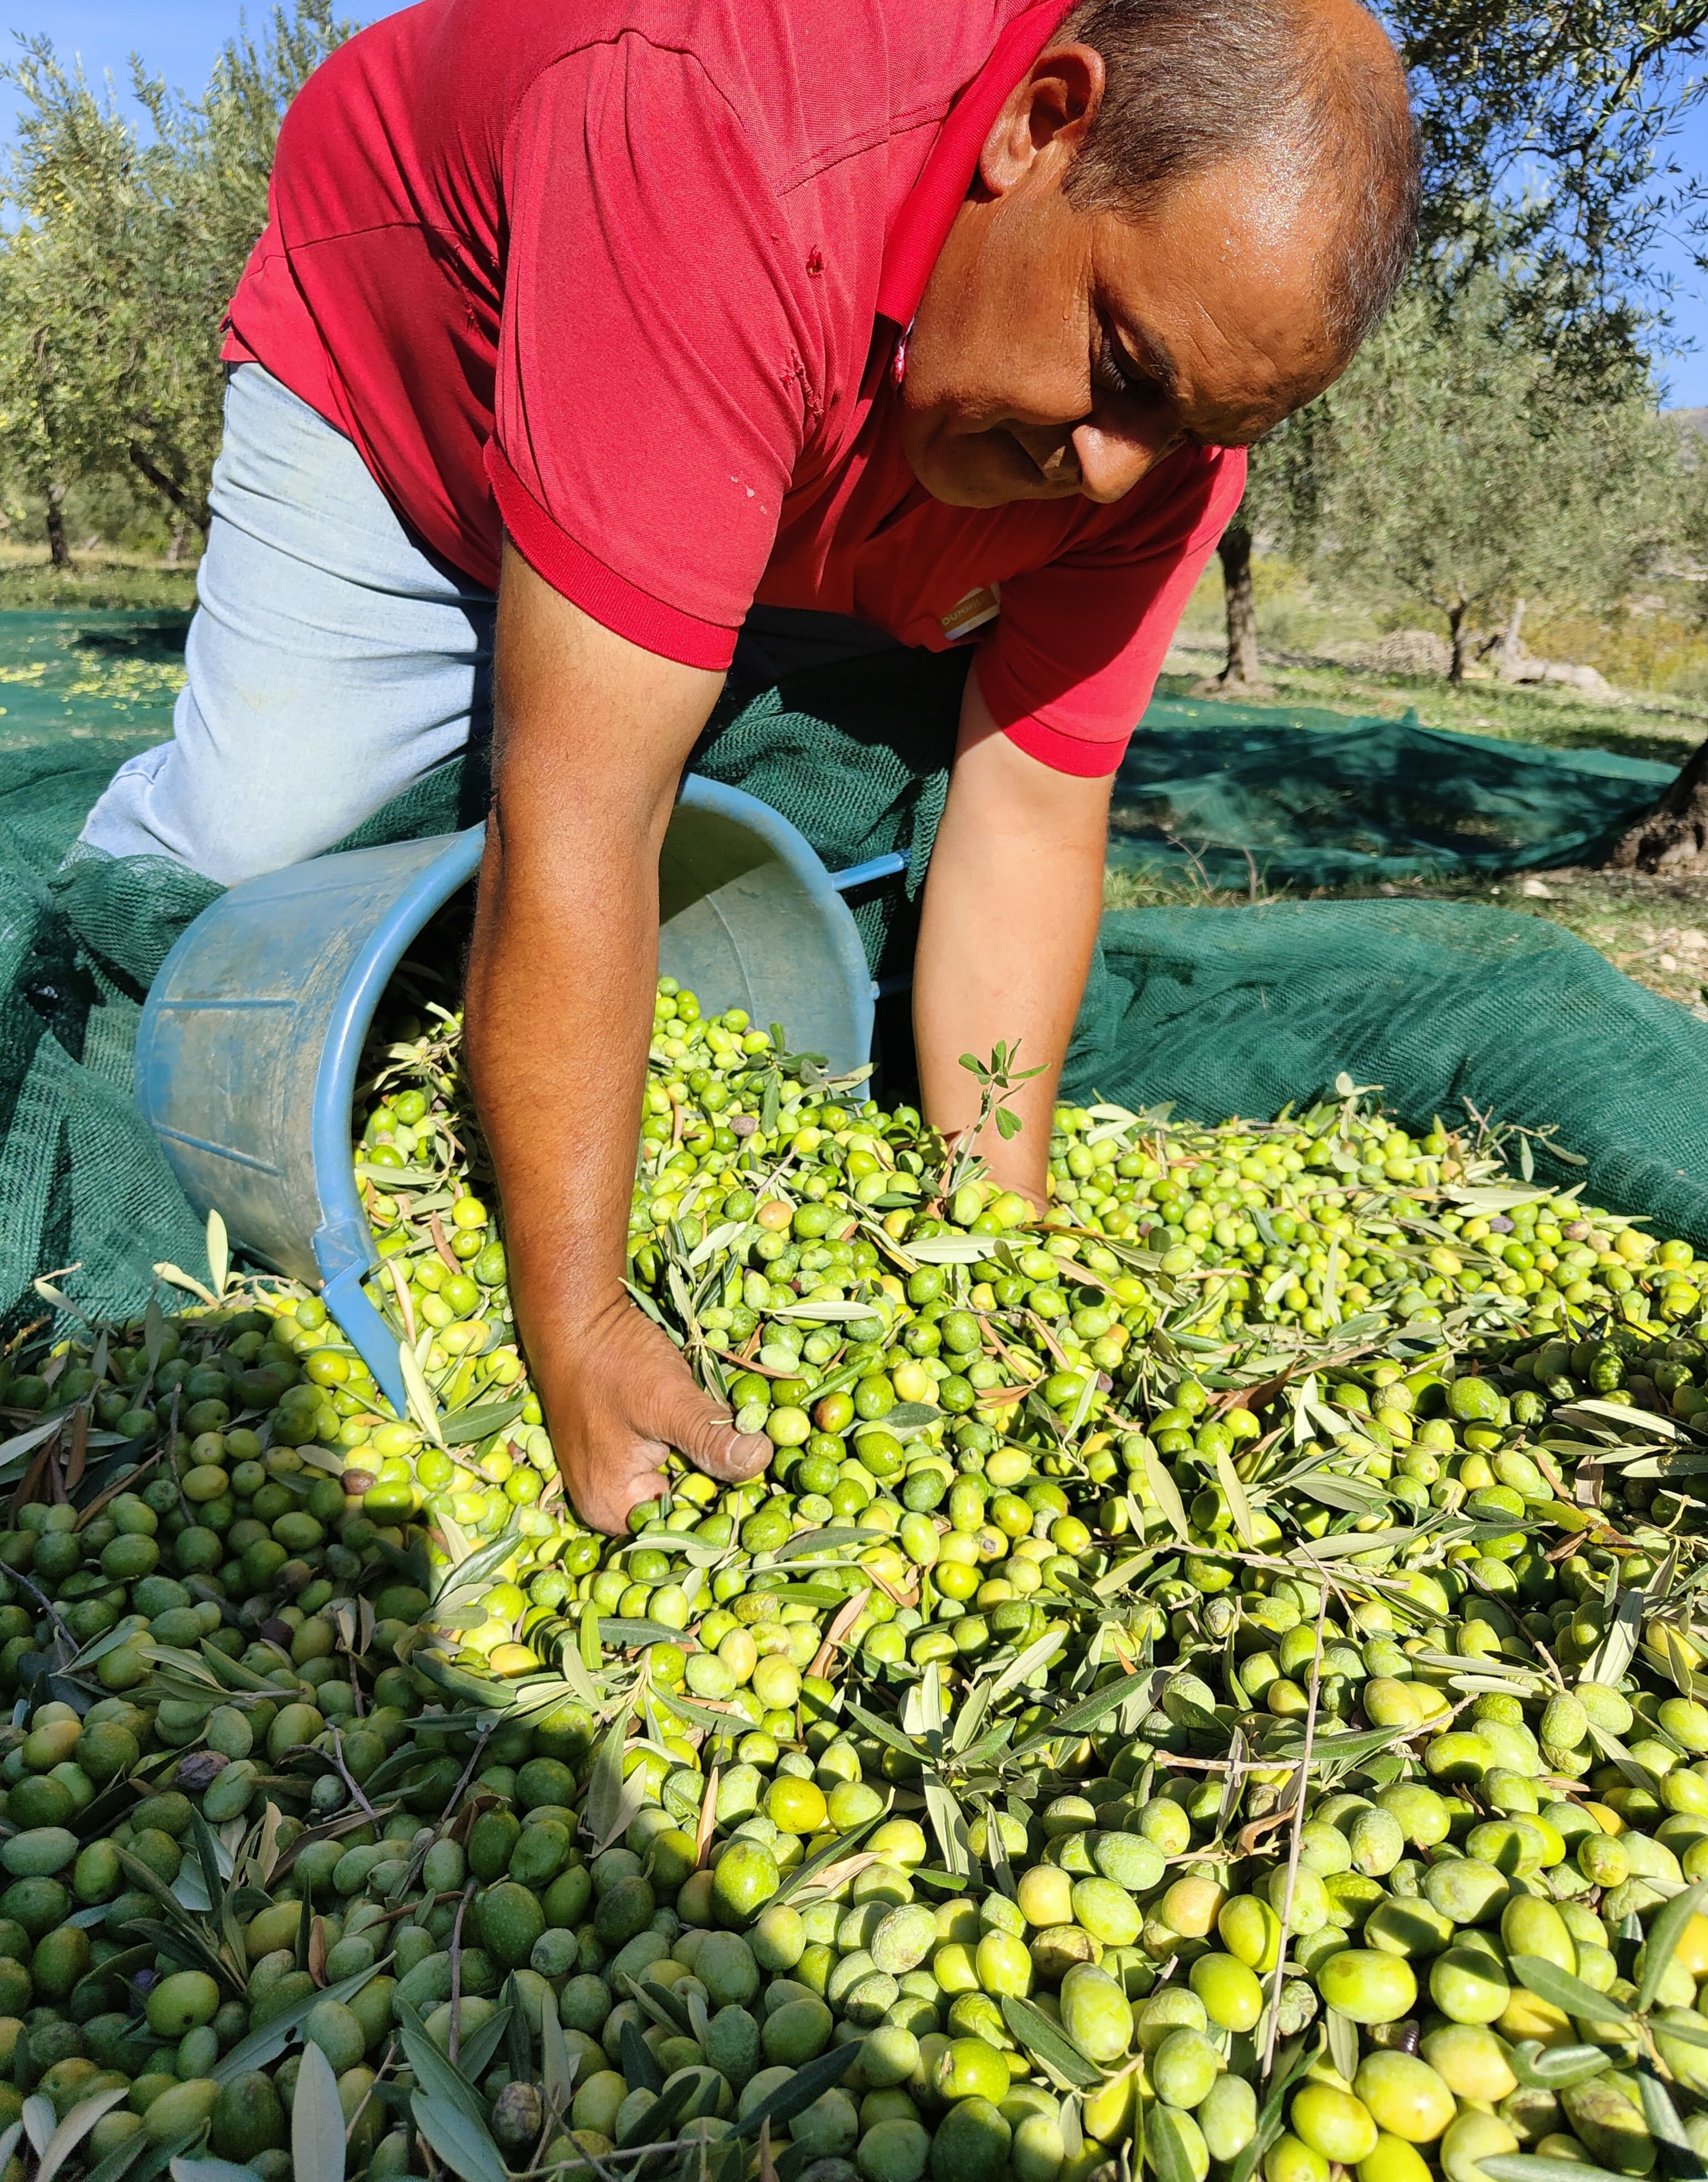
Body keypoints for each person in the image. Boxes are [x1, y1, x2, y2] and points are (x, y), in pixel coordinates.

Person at [81, 0, 1419, 1533]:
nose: (1121, 468)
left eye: (1191, 426)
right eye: (1120, 367)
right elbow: (584, 807)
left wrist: (997, 1240)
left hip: (769, 437)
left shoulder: (1157, 441)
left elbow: (1030, 815)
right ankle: (100, 920)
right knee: (246, 856)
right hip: (412, 410)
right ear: (1040, 125)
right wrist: (577, 1315)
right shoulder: (718, 131)